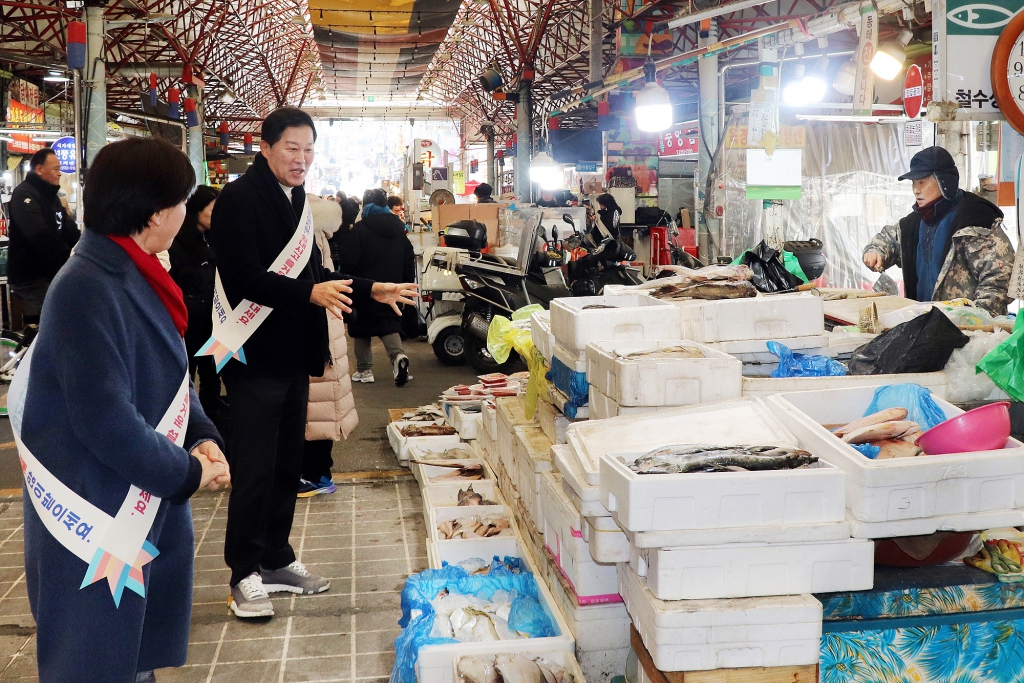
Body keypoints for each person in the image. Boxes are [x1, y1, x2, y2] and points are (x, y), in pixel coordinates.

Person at [13, 137, 229, 682]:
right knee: (99, 659)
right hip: (99, 507)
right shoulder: (87, 286)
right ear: (155, 214)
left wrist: (201, 433)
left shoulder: (135, 270)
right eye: (183, 200)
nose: (187, 211)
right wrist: (187, 472)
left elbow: (166, 378)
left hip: (131, 498)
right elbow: (104, 418)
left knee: (129, 656)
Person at [208, 107, 416, 619]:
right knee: (254, 467)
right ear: (266, 146)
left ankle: (276, 557)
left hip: (294, 353)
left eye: (308, 150)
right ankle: (243, 574)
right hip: (253, 354)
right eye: (291, 149)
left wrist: (370, 288)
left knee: (286, 464)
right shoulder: (238, 198)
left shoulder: (298, 198)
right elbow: (244, 278)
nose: (301, 160)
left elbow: (316, 270)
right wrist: (310, 292)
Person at [863, 146, 1013, 316]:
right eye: (913, 183)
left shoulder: (975, 221)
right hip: (924, 327)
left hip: (968, 331)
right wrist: (875, 251)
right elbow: (888, 239)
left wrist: (976, 318)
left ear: (944, 181)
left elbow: (1001, 278)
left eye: (922, 182)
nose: (916, 190)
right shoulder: (913, 224)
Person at [299, 196, 359, 498]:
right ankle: (319, 471)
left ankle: (316, 475)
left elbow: (320, 281)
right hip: (328, 327)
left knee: (316, 408)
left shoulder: (305, 240)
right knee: (322, 406)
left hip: (319, 327)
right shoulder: (319, 237)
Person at [340, 189, 417, 386]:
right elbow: (409, 258)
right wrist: (405, 285)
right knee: (389, 323)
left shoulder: (359, 230)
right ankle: (398, 357)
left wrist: (349, 281)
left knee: (361, 329)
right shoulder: (399, 230)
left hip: (366, 286)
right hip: (392, 287)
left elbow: (348, 261)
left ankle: (364, 371)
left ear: (365, 206)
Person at [7, 147, 80, 321]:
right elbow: (42, 238)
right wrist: (70, 260)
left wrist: (86, 249)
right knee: (59, 315)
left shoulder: (51, 197)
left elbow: (69, 230)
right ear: (39, 169)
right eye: (55, 169)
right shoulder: (24, 195)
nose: (59, 173)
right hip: (30, 278)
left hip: (52, 272)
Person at [168, 185, 222, 416]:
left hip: (214, 319)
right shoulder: (177, 241)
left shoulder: (215, 238)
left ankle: (211, 416)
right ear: (197, 210)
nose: (217, 215)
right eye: (212, 209)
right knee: (186, 373)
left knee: (212, 373)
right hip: (188, 321)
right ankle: (185, 418)